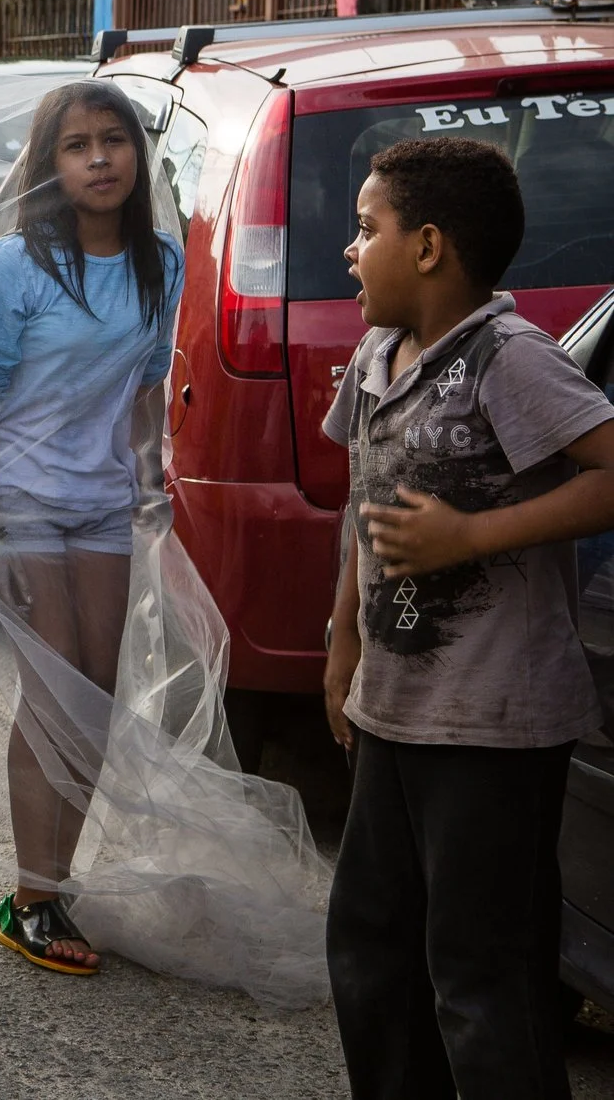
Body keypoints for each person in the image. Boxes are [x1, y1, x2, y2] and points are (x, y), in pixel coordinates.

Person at [321, 137, 614, 1099]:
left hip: (495, 724)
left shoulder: (509, 357)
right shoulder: (374, 355)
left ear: (432, 245)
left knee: (483, 981)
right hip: (394, 708)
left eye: (368, 230)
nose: (351, 251)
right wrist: (343, 643)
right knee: (372, 956)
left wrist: (470, 536)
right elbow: (361, 502)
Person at [0, 79, 181, 977]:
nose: (99, 158)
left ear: (136, 153)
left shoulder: (163, 256)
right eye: (77, 145)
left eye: (113, 140)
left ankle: (57, 884)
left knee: (95, 698)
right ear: (49, 166)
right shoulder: (18, 265)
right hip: (22, 502)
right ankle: (33, 895)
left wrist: (152, 478)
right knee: (51, 695)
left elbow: (147, 388)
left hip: (104, 507)